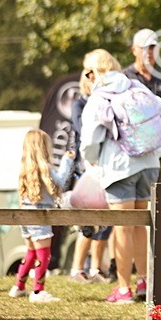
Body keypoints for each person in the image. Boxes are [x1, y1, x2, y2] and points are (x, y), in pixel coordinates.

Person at [81, 49, 161, 303]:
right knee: (141, 224)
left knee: (121, 227)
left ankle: (123, 288)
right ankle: (143, 282)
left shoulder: (99, 97)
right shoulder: (137, 87)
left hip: (119, 167)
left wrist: (94, 159)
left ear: (92, 72)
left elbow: (89, 140)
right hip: (150, 162)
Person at [11, 130, 76, 303]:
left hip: (25, 214)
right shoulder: (45, 168)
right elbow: (61, 181)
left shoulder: (24, 169)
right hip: (40, 216)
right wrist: (67, 160)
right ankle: (38, 291)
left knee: (31, 252)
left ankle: (19, 286)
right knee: (44, 254)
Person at [68, 71, 112, 283]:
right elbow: (82, 130)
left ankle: (96, 269)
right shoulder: (79, 104)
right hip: (85, 169)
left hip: (105, 168)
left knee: (104, 223)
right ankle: (77, 269)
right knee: (86, 224)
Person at [123, 28, 161, 183]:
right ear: (134, 50)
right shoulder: (124, 78)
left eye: (153, 48)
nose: (149, 52)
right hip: (132, 153)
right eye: (144, 48)